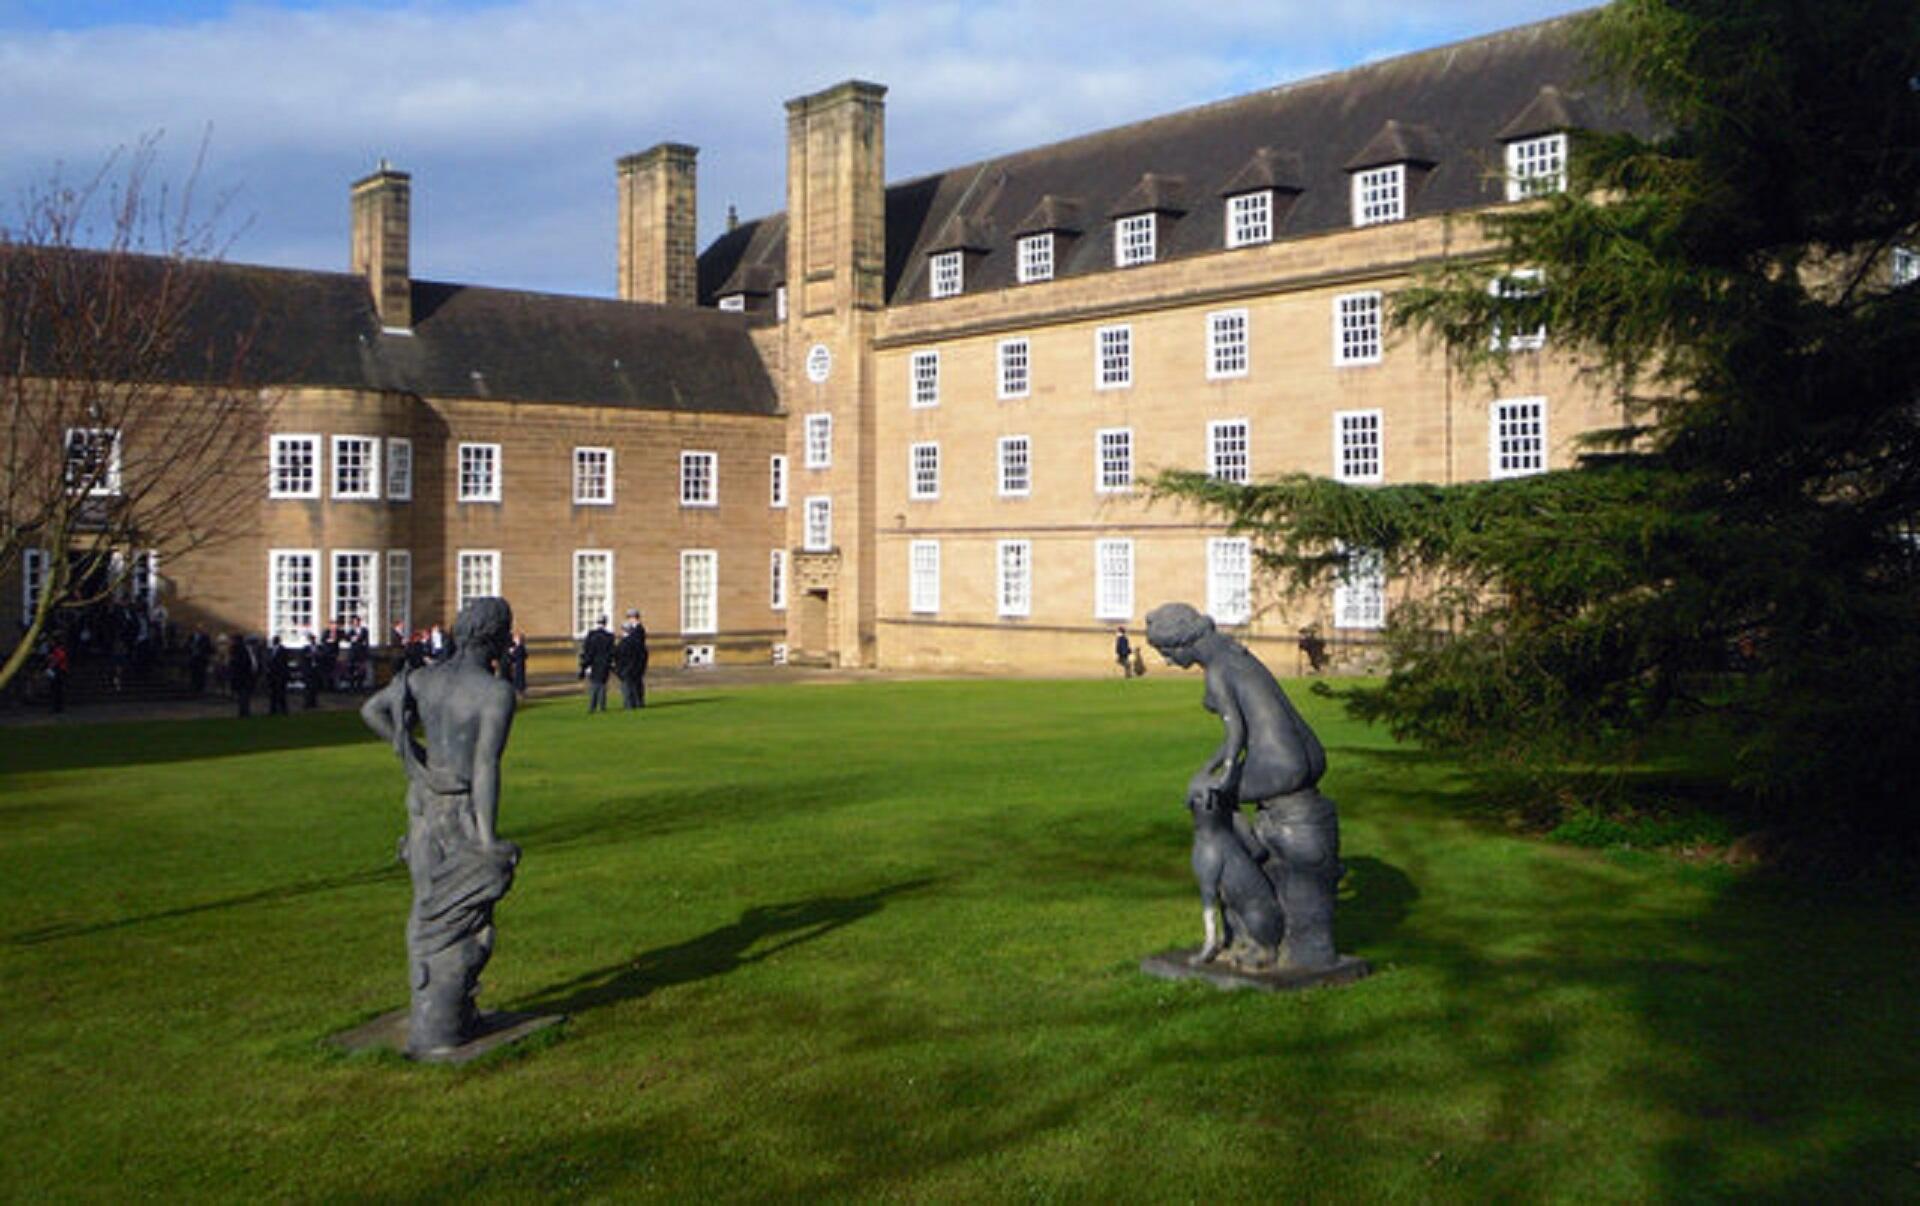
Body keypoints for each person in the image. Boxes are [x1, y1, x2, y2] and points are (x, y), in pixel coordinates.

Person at [359, 595, 521, 1057]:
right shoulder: (494, 692)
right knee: (465, 915)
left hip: (423, 808)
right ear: (494, 637)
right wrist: (487, 840)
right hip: (462, 809)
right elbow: (486, 765)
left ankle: (440, 1011)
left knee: (429, 904)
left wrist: (413, 754)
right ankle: (444, 1023)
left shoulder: (421, 680)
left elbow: (371, 711)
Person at [1145, 601, 1343, 971]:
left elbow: (1236, 731)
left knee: (1203, 801)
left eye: (1166, 654)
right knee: (1212, 795)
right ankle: (1253, 872)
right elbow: (1248, 728)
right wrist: (1214, 768)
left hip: (1280, 767)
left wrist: (1223, 775)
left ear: (1180, 644)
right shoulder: (1235, 653)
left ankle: (1250, 922)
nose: (1169, 662)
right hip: (1302, 758)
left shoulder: (1218, 668)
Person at [579, 616, 615, 712]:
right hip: (604, 664)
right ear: (605, 623)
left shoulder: (591, 635)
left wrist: (584, 665)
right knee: (602, 685)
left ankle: (592, 706)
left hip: (593, 663)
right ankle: (602, 706)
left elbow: (587, 651)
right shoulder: (610, 636)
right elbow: (611, 652)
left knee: (594, 684)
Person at [615, 610, 648, 709]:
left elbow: (639, 647)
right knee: (635, 683)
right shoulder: (635, 630)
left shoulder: (638, 630)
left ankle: (634, 702)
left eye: (630, 617)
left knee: (633, 683)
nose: (629, 620)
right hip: (635, 660)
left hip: (634, 661)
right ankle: (636, 702)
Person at [229, 633, 257, 717]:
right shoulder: (241, 650)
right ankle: (244, 711)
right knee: (243, 694)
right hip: (244, 676)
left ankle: (244, 711)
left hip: (244, 676)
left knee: (244, 694)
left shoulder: (242, 650)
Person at [266, 636, 291, 715]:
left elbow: (284, 663)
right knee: (273, 693)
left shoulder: (283, 650)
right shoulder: (270, 650)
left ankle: (283, 709)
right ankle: (273, 709)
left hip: (280, 675)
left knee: (281, 693)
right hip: (272, 675)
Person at [44, 638, 69, 714]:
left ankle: (58, 707)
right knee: (55, 690)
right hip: (56, 672)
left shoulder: (58, 651)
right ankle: (56, 707)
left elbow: (59, 660)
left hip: (59, 672)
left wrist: (52, 663)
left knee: (57, 690)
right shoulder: (53, 652)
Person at [186, 628, 212, 695]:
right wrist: (190, 647)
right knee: (193, 674)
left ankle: (200, 689)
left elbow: (208, 647)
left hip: (201, 659)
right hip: (193, 658)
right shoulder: (191, 637)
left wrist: (201, 650)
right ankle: (194, 687)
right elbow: (187, 645)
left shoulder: (206, 637)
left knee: (201, 674)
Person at [506, 631, 529, 696]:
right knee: (517, 677)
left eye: (515, 639)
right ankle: (519, 689)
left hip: (519, 665)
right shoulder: (518, 647)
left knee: (519, 677)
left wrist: (512, 652)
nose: (514, 640)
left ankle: (520, 690)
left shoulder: (520, 647)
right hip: (517, 665)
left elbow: (520, 655)